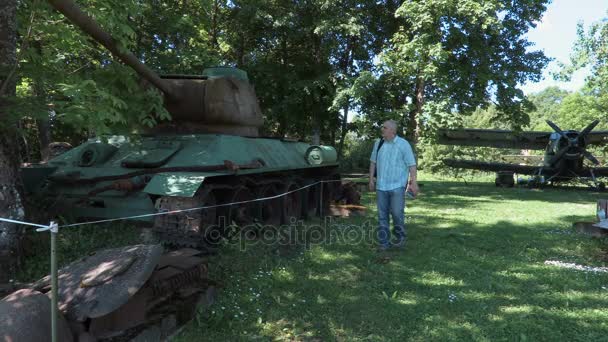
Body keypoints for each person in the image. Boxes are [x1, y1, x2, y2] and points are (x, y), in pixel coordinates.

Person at [368, 120, 418, 251]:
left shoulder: (403, 144)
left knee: (396, 213)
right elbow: (373, 162)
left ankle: (400, 237)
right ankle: (383, 243)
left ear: (393, 131)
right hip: (381, 186)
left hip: (397, 185)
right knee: (382, 215)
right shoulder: (378, 143)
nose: (382, 129)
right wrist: (371, 179)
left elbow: (412, 165)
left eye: (384, 128)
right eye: (382, 127)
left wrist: (413, 183)